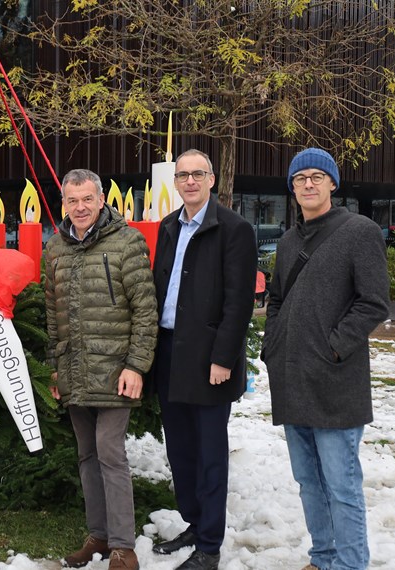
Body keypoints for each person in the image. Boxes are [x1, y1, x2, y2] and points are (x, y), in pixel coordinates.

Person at [262, 148, 388, 570]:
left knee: (341, 485)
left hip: (336, 381)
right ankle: (323, 556)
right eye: (301, 179)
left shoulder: (360, 231)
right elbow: (276, 298)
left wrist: (334, 346)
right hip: (292, 378)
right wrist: (273, 344)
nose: (309, 184)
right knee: (308, 483)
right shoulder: (288, 241)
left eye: (318, 176)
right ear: (292, 187)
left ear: (333, 183)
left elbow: (373, 304)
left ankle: (350, 564)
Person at [44, 169, 157, 570]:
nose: (80, 208)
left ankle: (123, 548)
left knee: (110, 452)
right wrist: (54, 368)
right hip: (74, 369)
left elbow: (145, 310)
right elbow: (52, 313)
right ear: (64, 203)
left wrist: (136, 366)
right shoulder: (55, 247)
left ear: (100, 199)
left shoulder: (127, 242)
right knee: (87, 455)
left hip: (115, 371)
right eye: (72, 200)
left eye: (87, 199)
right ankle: (99, 535)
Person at [151, 149, 257, 570]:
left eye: (198, 174)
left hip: (210, 359)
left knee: (211, 453)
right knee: (180, 451)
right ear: (175, 182)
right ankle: (194, 522)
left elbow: (240, 301)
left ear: (211, 180)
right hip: (169, 352)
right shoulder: (167, 227)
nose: (190, 181)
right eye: (183, 175)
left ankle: (210, 544)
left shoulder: (235, 229)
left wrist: (224, 357)